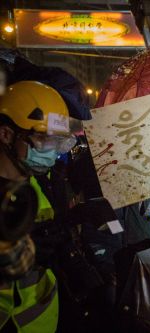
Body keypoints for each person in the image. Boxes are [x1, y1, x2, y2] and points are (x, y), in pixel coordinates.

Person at [0, 81, 77, 332]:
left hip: (45, 320)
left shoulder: (38, 184)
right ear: (6, 134)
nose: (52, 153)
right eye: (43, 139)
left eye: (58, 142)